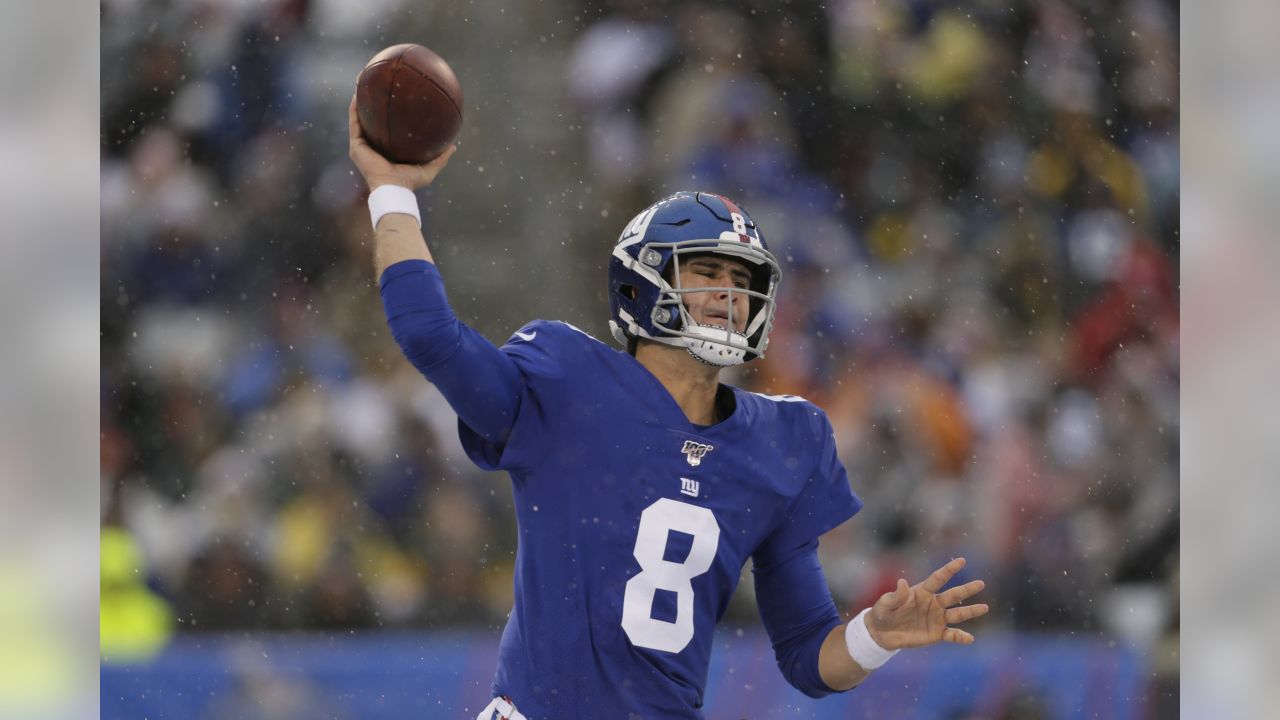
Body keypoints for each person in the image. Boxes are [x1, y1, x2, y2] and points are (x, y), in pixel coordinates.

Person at [347, 96, 988, 720]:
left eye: (742, 282)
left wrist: (873, 634)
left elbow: (805, 654)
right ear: (640, 282)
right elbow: (429, 332)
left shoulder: (785, 438)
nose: (728, 295)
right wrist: (391, 190)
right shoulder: (566, 380)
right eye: (707, 272)